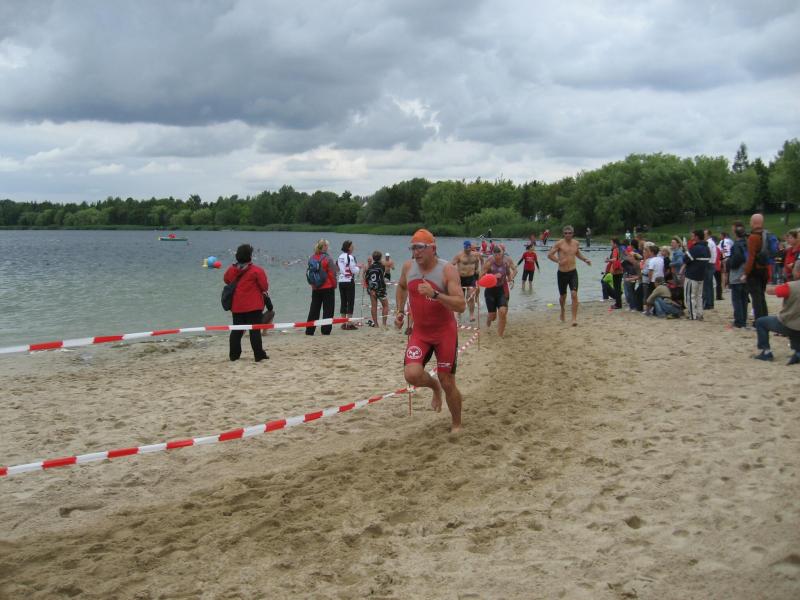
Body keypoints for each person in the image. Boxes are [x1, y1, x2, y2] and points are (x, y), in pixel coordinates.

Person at [395, 229, 467, 432]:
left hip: (444, 332)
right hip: (420, 333)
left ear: (432, 248)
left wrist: (435, 294)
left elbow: (461, 305)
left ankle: (456, 423)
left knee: (448, 381)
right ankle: (434, 387)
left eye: (420, 247)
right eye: (413, 248)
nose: (415, 252)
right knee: (412, 374)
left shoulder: (447, 270)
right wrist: (399, 311)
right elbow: (401, 287)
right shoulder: (408, 267)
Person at [223, 243, 269, 362]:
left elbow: (226, 280)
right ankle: (258, 354)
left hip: (237, 306)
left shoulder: (231, 270)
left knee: (237, 331)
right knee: (255, 331)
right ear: (250, 256)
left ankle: (234, 355)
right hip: (254, 306)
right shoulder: (257, 271)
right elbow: (264, 287)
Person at [547, 225, 592, 326]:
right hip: (562, 273)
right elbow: (549, 255)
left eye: (570, 233)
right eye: (566, 233)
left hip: (572, 272)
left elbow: (577, 253)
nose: (568, 235)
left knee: (574, 294)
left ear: (573, 234)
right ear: (563, 234)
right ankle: (562, 310)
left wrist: (585, 260)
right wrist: (558, 261)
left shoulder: (576, 243)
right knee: (563, 297)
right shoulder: (559, 243)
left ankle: (574, 319)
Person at [753, 279, 800, 365]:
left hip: (788, 324)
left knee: (760, 322)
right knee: (795, 330)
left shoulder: (791, 286)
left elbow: (771, 291)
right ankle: (798, 353)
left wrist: (766, 285)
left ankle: (766, 352)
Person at [482, 245, 517, 337]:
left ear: (503, 252)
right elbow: (481, 275)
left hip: (501, 288)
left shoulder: (506, 261)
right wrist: (493, 277)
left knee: (503, 311)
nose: (498, 256)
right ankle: (489, 319)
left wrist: (511, 279)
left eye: (500, 253)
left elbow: (512, 272)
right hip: (490, 289)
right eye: (496, 254)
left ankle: (500, 334)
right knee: (493, 316)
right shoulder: (490, 261)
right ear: (493, 254)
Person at [306, 239, 337, 335]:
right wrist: (334, 285)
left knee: (314, 309)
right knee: (328, 310)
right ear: (325, 247)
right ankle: (325, 330)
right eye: (327, 246)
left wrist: (312, 284)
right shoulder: (328, 258)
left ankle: (309, 330)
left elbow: (309, 272)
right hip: (327, 287)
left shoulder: (312, 258)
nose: (328, 248)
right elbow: (332, 273)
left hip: (316, 287)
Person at [744, 213, 770, 323]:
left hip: (754, 270)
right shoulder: (766, 235)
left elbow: (751, 257)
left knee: (756, 298)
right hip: (764, 269)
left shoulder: (753, 237)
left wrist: (746, 273)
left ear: (753, 222)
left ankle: (759, 321)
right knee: (761, 296)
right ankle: (765, 318)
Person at [682, 230, 710, 321]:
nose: (691, 238)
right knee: (699, 296)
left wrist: (686, 250)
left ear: (697, 237)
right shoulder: (707, 248)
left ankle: (692, 315)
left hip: (692, 275)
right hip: (701, 275)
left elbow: (686, 259)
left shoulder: (695, 248)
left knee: (690, 296)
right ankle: (699, 313)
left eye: (693, 236)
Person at [451, 240, 482, 321]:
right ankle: (459, 314)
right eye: (466, 248)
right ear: (464, 248)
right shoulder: (459, 255)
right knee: (460, 298)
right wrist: (452, 274)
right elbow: (451, 265)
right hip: (460, 278)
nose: (467, 250)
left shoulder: (475, 255)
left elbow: (480, 260)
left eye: (469, 248)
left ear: (470, 247)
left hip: (471, 278)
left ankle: (471, 315)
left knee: (470, 297)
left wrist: (478, 269)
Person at [728, 224, 750, 328]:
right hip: (746, 273)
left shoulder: (736, 245)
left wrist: (729, 263)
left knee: (736, 299)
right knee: (744, 298)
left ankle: (739, 321)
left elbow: (737, 258)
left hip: (737, 274)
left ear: (735, 234)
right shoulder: (748, 243)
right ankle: (743, 319)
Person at [337, 240, 361, 330]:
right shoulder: (350, 257)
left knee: (343, 301)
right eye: (352, 246)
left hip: (341, 280)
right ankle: (349, 323)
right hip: (349, 280)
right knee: (350, 302)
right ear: (348, 248)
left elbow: (338, 267)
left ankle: (343, 323)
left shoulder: (340, 256)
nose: (353, 247)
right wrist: (359, 267)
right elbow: (354, 270)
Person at [365, 250, 389, 327]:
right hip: (380, 289)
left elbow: (366, 279)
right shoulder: (382, 266)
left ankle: (376, 324)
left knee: (374, 306)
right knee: (385, 305)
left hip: (372, 289)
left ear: (373, 258)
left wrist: (370, 289)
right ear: (380, 258)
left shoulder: (369, 268)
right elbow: (383, 276)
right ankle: (384, 324)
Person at [605, 238, 624, 309]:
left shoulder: (615, 249)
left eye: (611, 243)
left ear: (615, 244)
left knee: (617, 288)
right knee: (618, 287)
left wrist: (608, 260)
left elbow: (615, 259)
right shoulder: (620, 249)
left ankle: (618, 304)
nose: (611, 244)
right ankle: (618, 303)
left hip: (616, 271)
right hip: (620, 270)